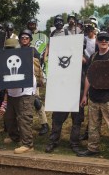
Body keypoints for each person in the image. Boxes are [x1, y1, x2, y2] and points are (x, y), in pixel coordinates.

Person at [77, 32, 109, 165]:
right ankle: (92, 148)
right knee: (93, 125)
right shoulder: (93, 57)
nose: (103, 41)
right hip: (94, 96)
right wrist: (84, 95)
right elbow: (88, 76)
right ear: (97, 41)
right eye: (101, 39)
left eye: (106, 39)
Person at [45, 15, 83, 154]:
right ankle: (53, 140)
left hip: (75, 83)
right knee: (58, 116)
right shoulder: (53, 36)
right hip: (60, 83)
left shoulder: (73, 37)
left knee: (77, 118)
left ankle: (75, 142)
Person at [4, 31, 37, 154]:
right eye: (8, 48)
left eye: (11, 48)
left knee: (24, 118)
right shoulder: (5, 59)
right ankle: (15, 137)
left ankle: (28, 144)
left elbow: (25, 76)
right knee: (9, 118)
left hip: (25, 93)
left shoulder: (25, 57)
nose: (10, 50)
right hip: (12, 92)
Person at [26, 19, 50, 135]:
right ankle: (25, 125)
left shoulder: (34, 51)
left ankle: (44, 124)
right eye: (23, 38)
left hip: (33, 79)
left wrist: (39, 81)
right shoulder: (18, 49)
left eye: (27, 38)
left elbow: (38, 68)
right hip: (22, 80)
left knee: (36, 101)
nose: (24, 40)